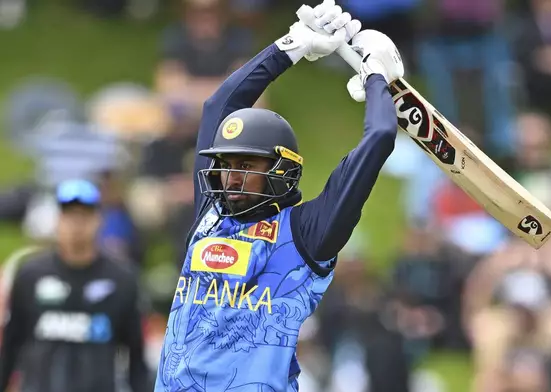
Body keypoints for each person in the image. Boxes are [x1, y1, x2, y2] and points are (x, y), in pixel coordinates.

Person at [154, 0, 405, 390]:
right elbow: (219, 107)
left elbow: (379, 138)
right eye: (225, 164)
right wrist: (292, 46)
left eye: (245, 165)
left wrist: (377, 77)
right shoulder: (211, 214)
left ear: (279, 169)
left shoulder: (309, 232)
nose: (230, 178)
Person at [0, 179, 151, 392]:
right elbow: (10, 346)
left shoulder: (122, 280)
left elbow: (136, 354)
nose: (76, 225)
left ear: (98, 220)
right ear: (58, 220)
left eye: (84, 216)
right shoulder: (30, 275)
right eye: (70, 216)